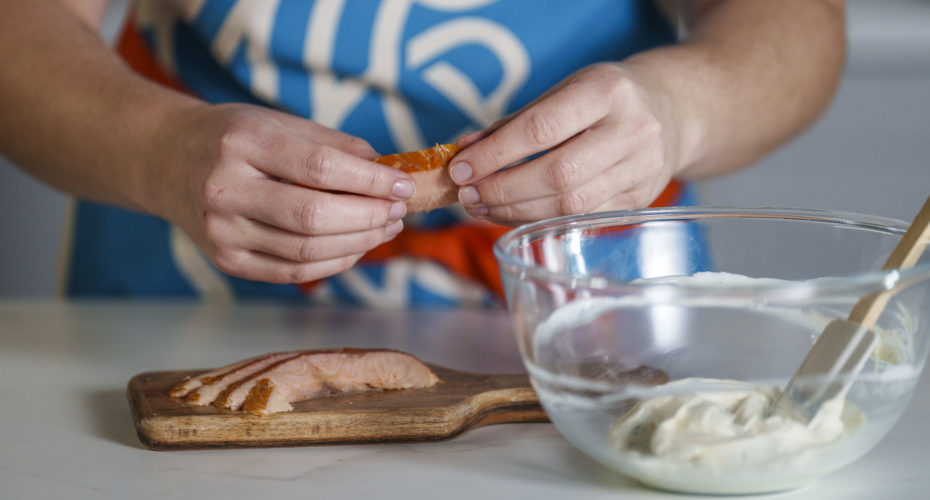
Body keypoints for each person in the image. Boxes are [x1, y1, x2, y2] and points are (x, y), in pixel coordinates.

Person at [0, 0, 846, 306]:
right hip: (178, 303)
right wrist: (160, 149)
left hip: (585, 328)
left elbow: (799, 22)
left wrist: (677, 105)